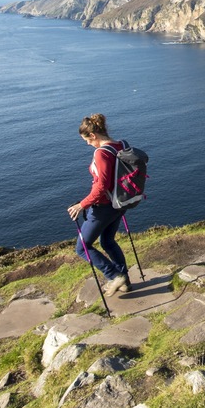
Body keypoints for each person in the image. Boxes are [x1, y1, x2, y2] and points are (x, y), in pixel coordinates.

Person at [67, 113, 130, 296]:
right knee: (108, 241)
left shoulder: (101, 153)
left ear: (93, 135)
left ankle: (114, 276)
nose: (87, 144)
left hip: (103, 208)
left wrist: (82, 205)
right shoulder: (121, 145)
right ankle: (124, 281)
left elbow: (101, 186)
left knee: (82, 247)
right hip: (120, 203)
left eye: (86, 140)